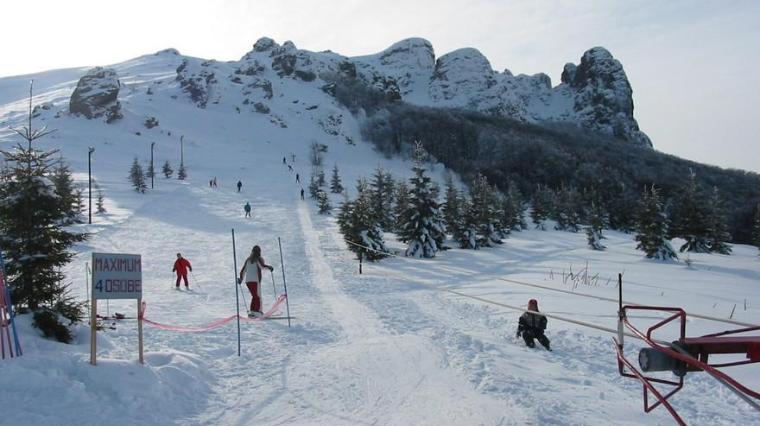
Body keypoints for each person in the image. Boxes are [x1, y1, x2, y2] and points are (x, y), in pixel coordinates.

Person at [238, 245, 274, 317]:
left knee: (254, 296)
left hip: (248, 281)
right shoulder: (258, 259)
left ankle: (253, 312)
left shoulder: (248, 260)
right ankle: (257, 312)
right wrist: (269, 267)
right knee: (257, 296)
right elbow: (262, 266)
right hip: (255, 280)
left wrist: (241, 279)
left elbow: (243, 270)